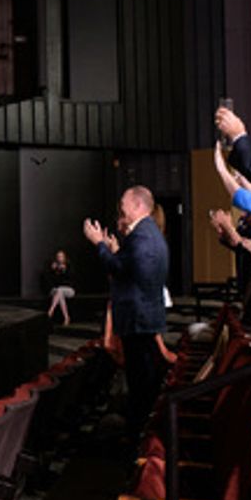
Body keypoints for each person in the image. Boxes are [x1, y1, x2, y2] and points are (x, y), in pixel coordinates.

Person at [83, 186, 168, 439]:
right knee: (143, 381)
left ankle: (136, 437)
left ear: (138, 206)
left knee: (141, 384)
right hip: (142, 317)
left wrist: (100, 245)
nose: (121, 207)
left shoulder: (142, 236)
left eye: (124, 204)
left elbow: (120, 270)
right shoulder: (147, 234)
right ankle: (138, 431)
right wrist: (116, 251)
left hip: (137, 319)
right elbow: (132, 269)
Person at [44, 249, 75, 325]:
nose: (59, 258)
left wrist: (64, 271)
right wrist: (54, 271)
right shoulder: (54, 268)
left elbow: (72, 280)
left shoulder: (69, 267)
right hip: (56, 290)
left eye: (61, 256)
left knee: (60, 291)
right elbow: (52, 283)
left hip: (69, 290)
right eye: (58, 257)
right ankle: (66, 317)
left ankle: (50, 311)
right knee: (59, 292)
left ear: (64, 258)